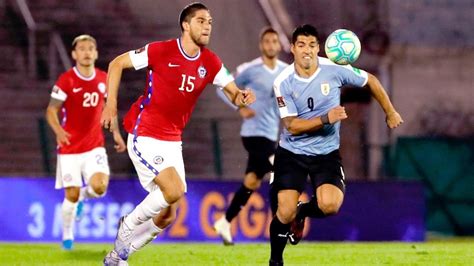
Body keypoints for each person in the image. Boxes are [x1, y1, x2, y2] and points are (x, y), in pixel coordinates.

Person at [100, 3, 255, 265]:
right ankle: (127, 225)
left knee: (167, 215)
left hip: (173, 140)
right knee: (174, 190)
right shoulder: (160, 50)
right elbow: (116, 64)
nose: (207, 26)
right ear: (186, 25)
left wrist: (242, 97)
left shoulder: (211, 62)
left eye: (210, 22)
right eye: (201, 21)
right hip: (145, 132)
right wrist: (110, 104)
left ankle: (118, 256)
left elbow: (233, 93)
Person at [268, 24, 403, 266]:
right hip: (292, 153)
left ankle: (303, 212)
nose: (307, 50)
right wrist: (325, 118)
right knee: (284, 211)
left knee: (330, 206)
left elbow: (370, 80)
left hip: (326, 154)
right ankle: (275, 261)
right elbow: (291, 126)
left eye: (311, 45)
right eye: (301, 45)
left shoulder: (334, 69)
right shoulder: (283, 81)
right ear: (292, 49)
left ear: (319, 48)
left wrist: (390, 111)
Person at [45, 34, 126, 250]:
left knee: (99, 187)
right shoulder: (66, 80)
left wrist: (116, 134)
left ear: (96, 53)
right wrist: (58, 131)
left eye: (91, 48)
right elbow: (51, 110)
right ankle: (67, 235)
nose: (87, 52)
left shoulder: (103, 79)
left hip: (94, 146)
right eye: (82, 48)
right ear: (74, 54)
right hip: (69, 148)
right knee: (69, 195)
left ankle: (84, 194)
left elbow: (110, 110)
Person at [213, 27, 288, 245]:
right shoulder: (250, 69)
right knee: (279, 167)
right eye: (267, 41)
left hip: (272, 133)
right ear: (261, 45)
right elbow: (222, 88)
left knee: (252, 182)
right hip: (253, 133)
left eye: (275, 41)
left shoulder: (286, 71)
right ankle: (281, 226)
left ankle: (225, 222)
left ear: (278, 45)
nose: (271, 45)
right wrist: (240, 108)